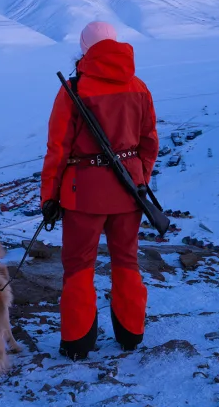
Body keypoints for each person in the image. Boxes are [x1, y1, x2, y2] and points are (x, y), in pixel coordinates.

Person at [39, 21, 159, 360]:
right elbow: (149, 143)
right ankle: (131, 335)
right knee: (126, 261)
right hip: (129, 192)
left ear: (84, 49)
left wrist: (49, 195)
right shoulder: (139, 87)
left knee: (78, 266)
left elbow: (57, 149)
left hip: (84, 194)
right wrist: (138, 177)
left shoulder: (74, 90)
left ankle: (77, 343)